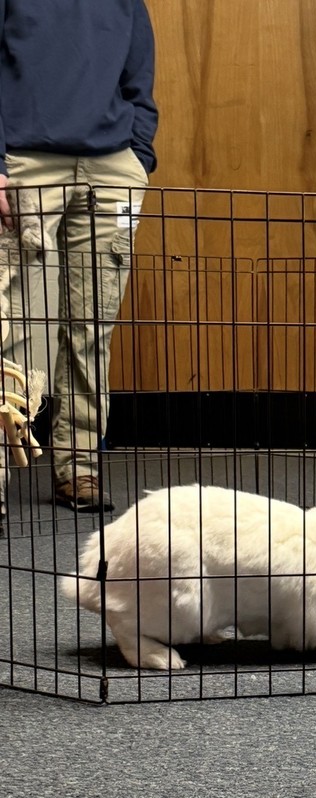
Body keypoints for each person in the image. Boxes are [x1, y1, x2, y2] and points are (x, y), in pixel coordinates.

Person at [0, 0, 158, 512]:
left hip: (113, 172)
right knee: (4, 325)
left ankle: (80, 468)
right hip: (22, 161)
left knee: (94, 326)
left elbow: (140, 76)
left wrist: (140, 155)